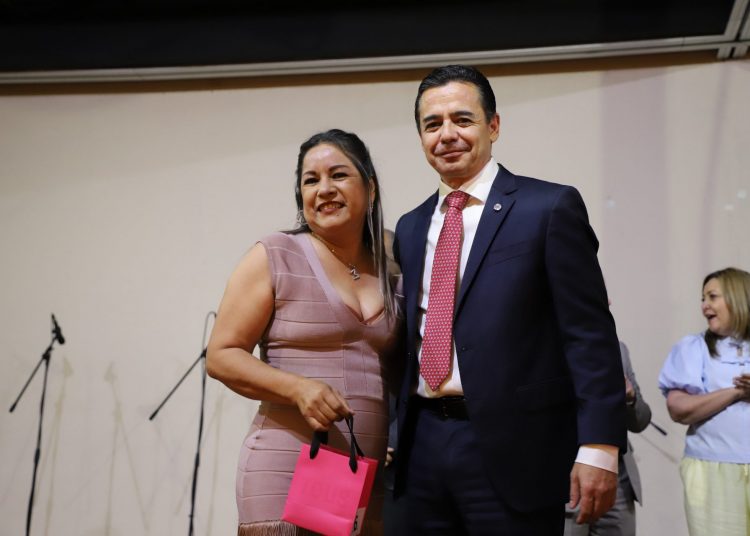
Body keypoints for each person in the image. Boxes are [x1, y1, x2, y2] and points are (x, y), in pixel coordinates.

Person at [391, 64, 626, 534]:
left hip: (517, 448)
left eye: (462, 119)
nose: (447, 134)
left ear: (493, 126)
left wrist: (600, 446)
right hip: (422, 447)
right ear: (420, 137)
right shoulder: (411, 227)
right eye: (432, 124)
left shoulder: (548, 207)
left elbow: (589, 335)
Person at [206, 129, 402, 535]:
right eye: (311, 180)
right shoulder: (276, 254)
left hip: (363, 474)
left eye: (338, 175)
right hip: (288, 465)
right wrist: (299, 389)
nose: (324, 189)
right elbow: (221, 355)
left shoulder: (393, 266)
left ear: (370, 188)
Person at [659, 267, 750, 536]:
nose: (704, 306)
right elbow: (679, 409)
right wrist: (735, 393)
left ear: (738, 297)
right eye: (703, 299)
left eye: (712, 297)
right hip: (713, 471)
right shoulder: (693, 348)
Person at [565, 341, 652, 536]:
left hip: (617, 482)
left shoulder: (619, 348)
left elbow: (641, 421)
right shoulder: (550, 343)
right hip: (570, 478)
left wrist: (630, 397)